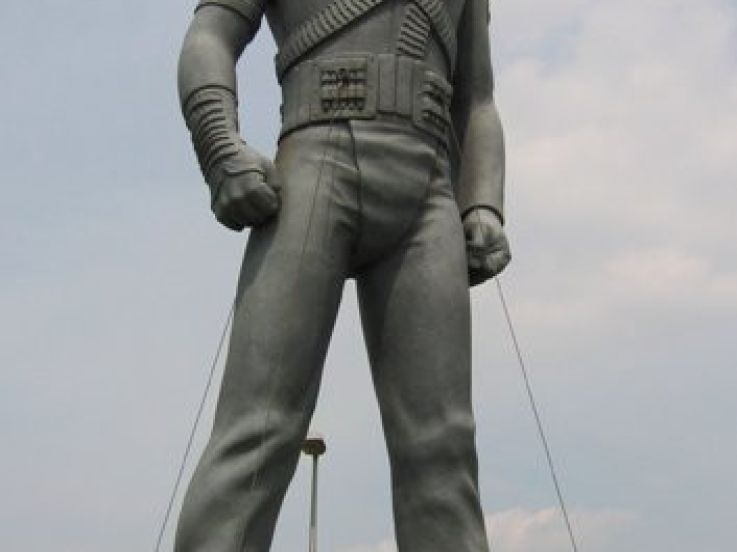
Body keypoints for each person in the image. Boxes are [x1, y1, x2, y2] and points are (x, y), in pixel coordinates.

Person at [174, 0, 510, 550]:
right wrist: (218, 145)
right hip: (313, 165)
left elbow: (477, 99)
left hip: (428, 192)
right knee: (258, 431)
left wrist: (484, 203)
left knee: (443, 445)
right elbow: (210, 34)